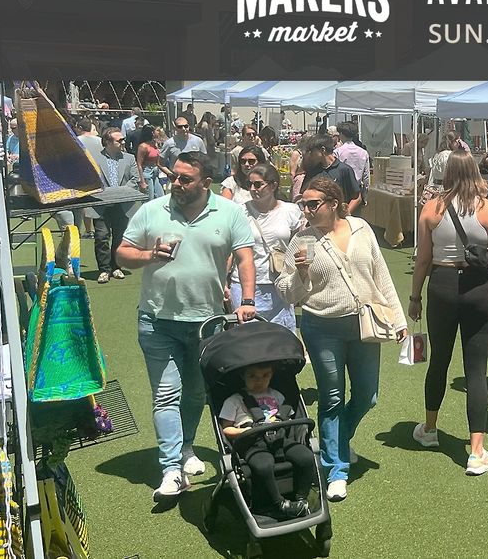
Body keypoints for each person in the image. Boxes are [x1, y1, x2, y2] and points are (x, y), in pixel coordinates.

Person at [116, 151, 258, 501]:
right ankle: (170, 470)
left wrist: (248, 301)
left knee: (196, 393)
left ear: (205, 182)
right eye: (173, 177)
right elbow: (122, 253)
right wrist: (150, 255)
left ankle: (187, 448)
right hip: (157, 321)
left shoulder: (229, 212)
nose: (175, 184)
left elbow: (244, 257)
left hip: (206, 323)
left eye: (185, 179)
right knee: (166, 395)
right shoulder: (153, 210)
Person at [275, 176, 407, 502]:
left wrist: (399, 318)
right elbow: (286, 292)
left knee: (367, 396)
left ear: (333, 203)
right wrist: (302, 273)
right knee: (331, 398)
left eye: (312, 203)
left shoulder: (362, 229)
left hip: (364, 323)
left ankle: (337, 440)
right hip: (322, 329)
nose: (305, 210)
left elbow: (381, 276)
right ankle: (336, 467)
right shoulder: (301, 241)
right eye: (302, 204)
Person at [407, 150, 488, 476]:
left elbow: (422, 259)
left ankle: (430, 427)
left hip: (441, 283)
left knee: (438, 359)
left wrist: (414, 297)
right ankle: (477, 450)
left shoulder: (431, 209)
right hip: (480, 288)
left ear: (448, 173)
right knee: (476, 367)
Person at [217, 363, 316, 520]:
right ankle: (279, 503)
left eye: (265, 376)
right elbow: (226, 429)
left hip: (280, 439)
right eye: (252, 376)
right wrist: (244, 431)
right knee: (263, 465)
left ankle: (301, 499)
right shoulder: (234, 400)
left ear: (271, 375)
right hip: (253, 443)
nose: (259, 381)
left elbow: (288, 419)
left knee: (306, 456)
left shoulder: (277, 396)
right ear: (242, 376)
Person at [230, 164, 302, 329]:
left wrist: (299, 281)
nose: (253, 189)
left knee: (280, 337)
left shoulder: (290, 211)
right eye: (250, 184)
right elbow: (230, 250)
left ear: (273, 185)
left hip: (279, 284)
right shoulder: (240, 212)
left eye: (258, 184)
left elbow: (300, 243)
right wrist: (223, 285)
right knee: (247, 337)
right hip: (244, 284)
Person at [87, 128, 139, 284]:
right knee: (102, 237)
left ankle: (116, 267)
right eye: (119, 140)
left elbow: (135, 180)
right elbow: (90, 180)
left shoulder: (129, 158)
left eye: (123, 139)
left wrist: (119, 193)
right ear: (108, 142)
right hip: (101, 204)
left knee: (120, 237)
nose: (123, 142)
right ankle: (104, 269)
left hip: (122, 205)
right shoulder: (93, 158)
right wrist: (106, 193)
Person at [299, 134, 362, 216]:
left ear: (322, 150)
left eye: (312, 151)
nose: (310, 154)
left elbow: (357, 197)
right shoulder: (313, 171)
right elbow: (304, 193)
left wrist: (346, 213)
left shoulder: (343, 170)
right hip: (317, 219)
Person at [333, 121, 371, 193]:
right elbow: (366, 177)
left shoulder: (338, 152)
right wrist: (365, 195)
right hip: (357, 189)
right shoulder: (364, 152)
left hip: (342, 189)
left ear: (341, 134)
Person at [135, 125, 165, 200]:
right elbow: (139, 164)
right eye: (156, 131)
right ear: (152, 133)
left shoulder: (154, 143)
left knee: (160, 196)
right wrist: (142, 181)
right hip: (147, 172)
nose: (158, 132)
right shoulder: (143, 146)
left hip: (155, 172)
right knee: (150, 198)